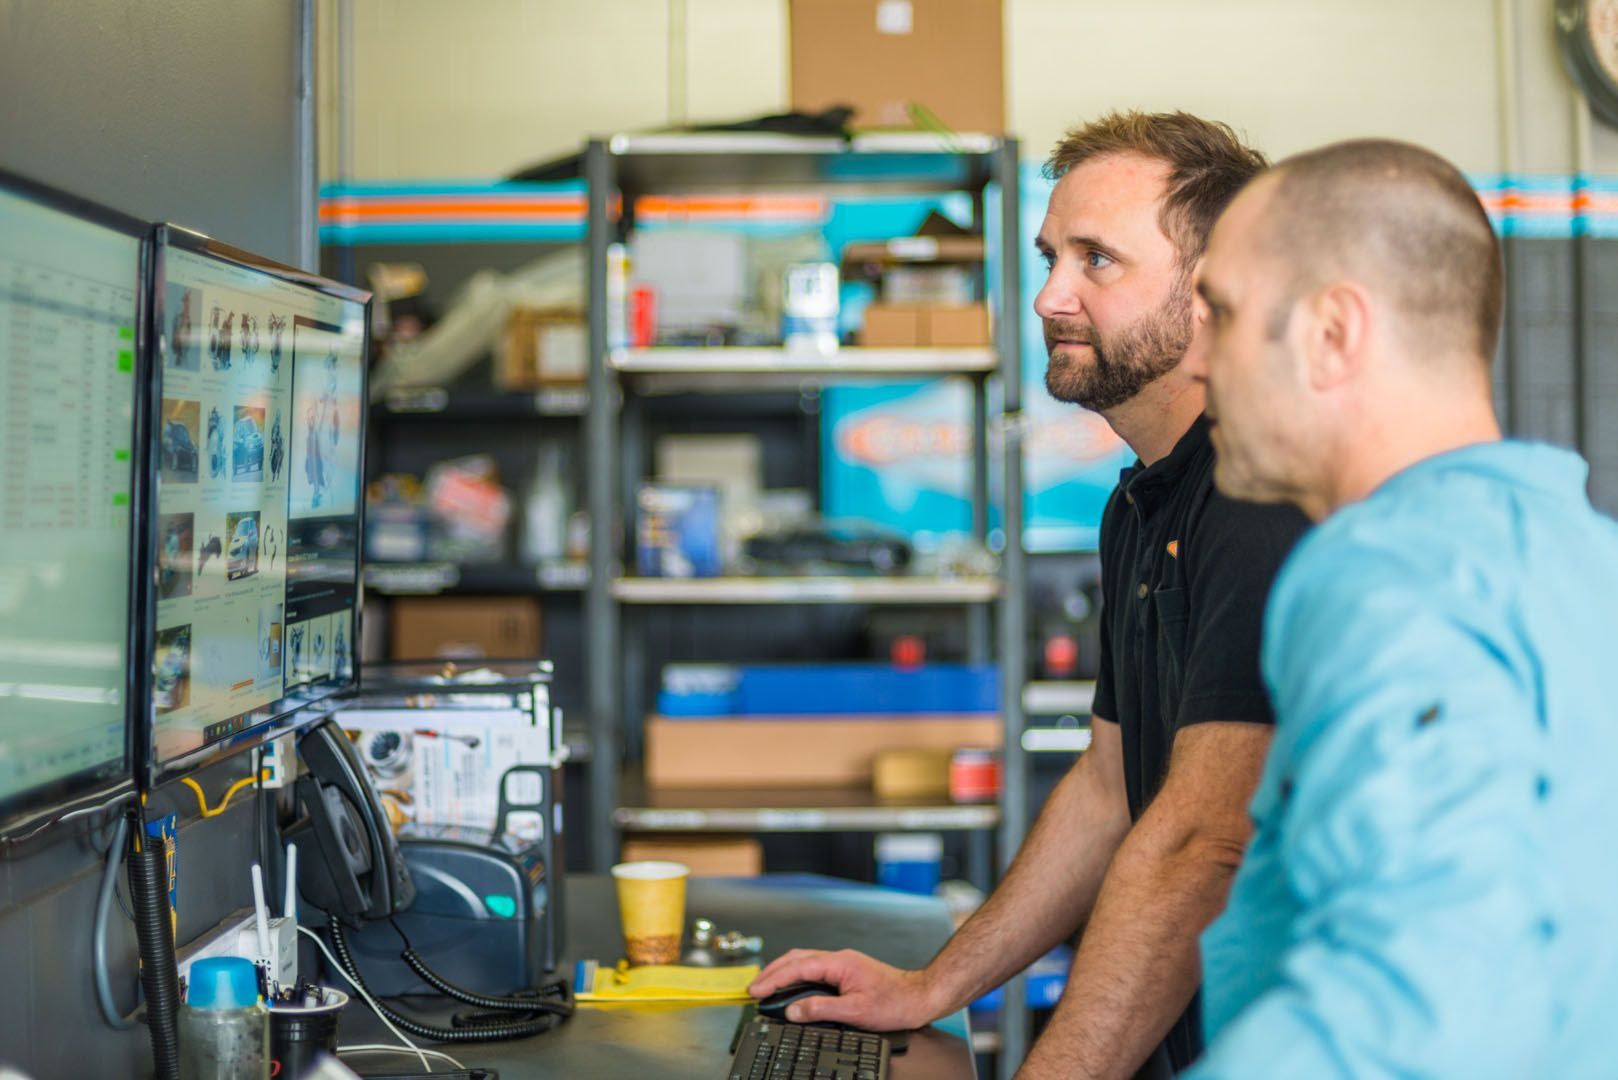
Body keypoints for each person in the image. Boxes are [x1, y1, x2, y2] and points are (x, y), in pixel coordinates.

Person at [750, 111, 1311, 1078]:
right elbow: (1106, 791)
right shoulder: (1142, 499)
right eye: (1052, 255)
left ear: (1215, 290)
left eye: (1099, 261)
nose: (1050, 295)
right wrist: (933, 988)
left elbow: (1199, 846)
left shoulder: (1261, 497)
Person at [1182, 138, 1618, 1077]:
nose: (1198, 363)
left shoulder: (1386, 571)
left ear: (1334, 334)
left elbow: (1413, 996)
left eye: (1220, 313)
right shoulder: (1586, 557)